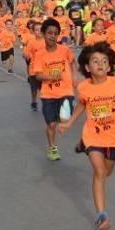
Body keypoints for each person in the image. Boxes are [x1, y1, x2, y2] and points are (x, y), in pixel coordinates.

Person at [58, 42, 115, 230]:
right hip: (93, 135)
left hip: (114, 137)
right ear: (88, 67)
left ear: (109, 66)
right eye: (95, 61)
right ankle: (101, 215)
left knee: (107, 172)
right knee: (99, 172)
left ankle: (82, 145)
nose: (100, 64)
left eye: (104, 61)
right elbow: (82, 104)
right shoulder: (84, 88)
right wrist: (70, 122)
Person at [32, 17, 77, 161]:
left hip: (65, 90)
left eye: (55, 33)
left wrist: (74, 77)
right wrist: (51, 76)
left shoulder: (64, 50)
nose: (52, 36)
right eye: (49, 33)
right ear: (44, 34)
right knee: (51, 124)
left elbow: (73, 62)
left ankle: (61, 119)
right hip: (48, 93)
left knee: (65, 117)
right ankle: (52, 147)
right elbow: (38, 76)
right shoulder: (39, 54)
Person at [22, 20, 44, 112]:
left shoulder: (48, 41)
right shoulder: (31, 42)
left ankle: (46, 103)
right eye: (36, 30)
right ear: (33, 31)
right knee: (34, 89)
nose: (39, 32)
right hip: (33, 69)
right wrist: (26, 56)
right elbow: (25, 53)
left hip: (45, 70)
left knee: (45, 88)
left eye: (40, 29)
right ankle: (34, 101)